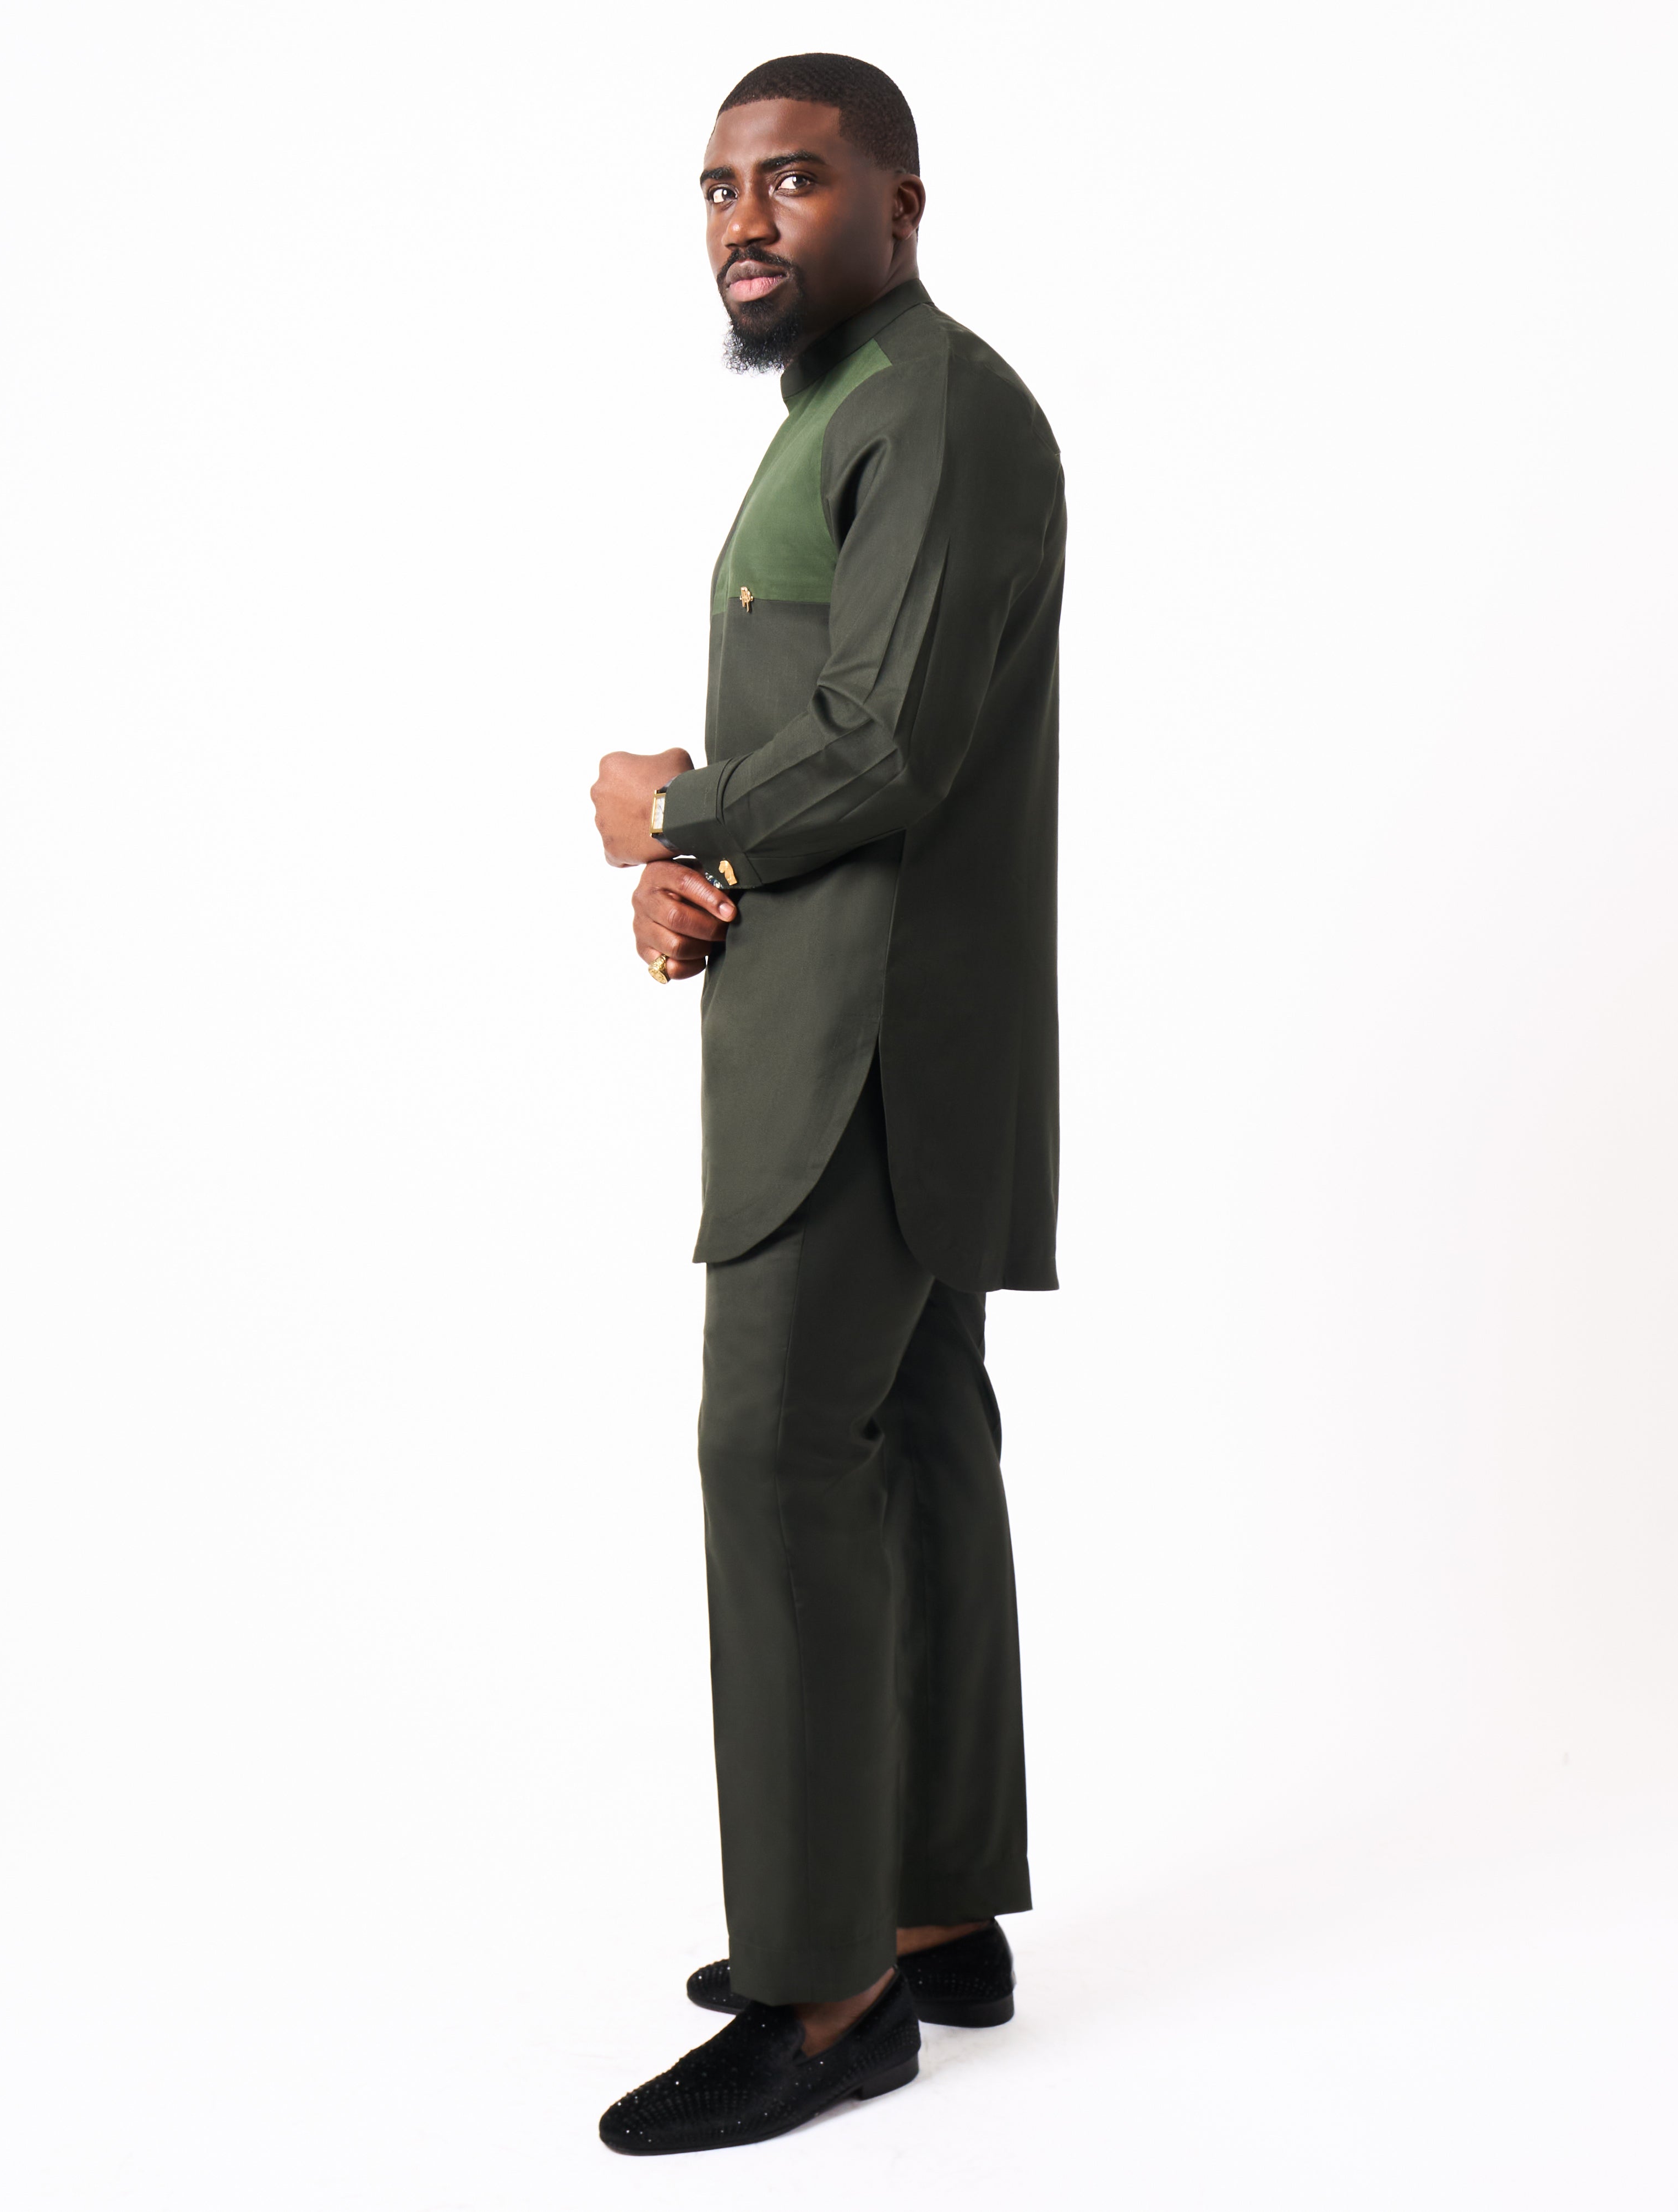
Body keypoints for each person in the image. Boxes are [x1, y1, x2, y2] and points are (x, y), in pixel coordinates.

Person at [588, 51, 1065, 2156]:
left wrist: (669, 812)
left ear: (902, 201)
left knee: (777, 1447)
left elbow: (882, 747)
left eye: (792, 180)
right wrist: (698, 881)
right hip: (851, 1019)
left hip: (870, 1052)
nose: (745, 221)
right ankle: (933, 1911)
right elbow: (848, 756)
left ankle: (821, 1990)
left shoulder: (936, 406)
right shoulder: (844, 414)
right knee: (916, 1438)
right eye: (718, 190)